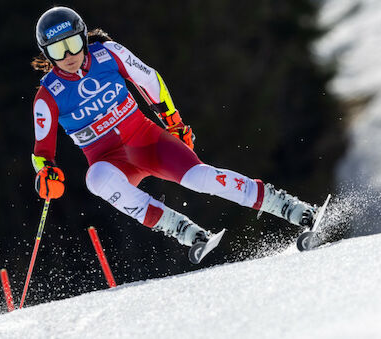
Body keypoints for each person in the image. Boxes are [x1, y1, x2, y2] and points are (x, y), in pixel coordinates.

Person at [31, 7, 317, 254]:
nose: (69, 54)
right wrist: (46, 173)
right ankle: (182, 229)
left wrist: (173, 121)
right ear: (47, 54)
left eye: (72, 43)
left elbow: (150, 80)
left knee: (200, 178)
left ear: (83, 38)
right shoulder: (47, 95)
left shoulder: (109, 53)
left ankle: (289, 207)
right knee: (95, 179)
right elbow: (42, 152)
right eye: (58, 49)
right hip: (109, 160)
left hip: (147, 141)